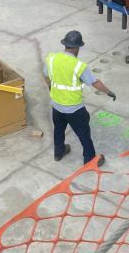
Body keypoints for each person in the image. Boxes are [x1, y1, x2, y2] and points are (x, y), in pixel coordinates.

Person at [44, 30, 116, 166]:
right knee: (83, 133)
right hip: (74, 109)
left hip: (57, 106)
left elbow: (46, 75)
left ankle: (58, 153)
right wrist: (109, 92)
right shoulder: (79, 66)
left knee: (58, 129)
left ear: (65, 44)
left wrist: (50, 88)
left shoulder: (52, 59)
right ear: (77, 48)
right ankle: (89, 159)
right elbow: (94, 82)